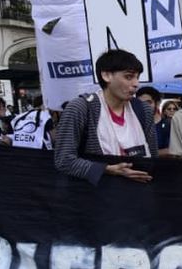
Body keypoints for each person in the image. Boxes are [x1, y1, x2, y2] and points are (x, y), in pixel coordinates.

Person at [53, 49, 156, 184]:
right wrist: (106, 169)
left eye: (137, 77)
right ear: (106, 75)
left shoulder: (143, 110)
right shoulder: (81, 108)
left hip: (139, 195)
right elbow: (64, 160)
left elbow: (153, 158)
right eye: (129, 77)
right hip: (96, 197)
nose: (136, 84)